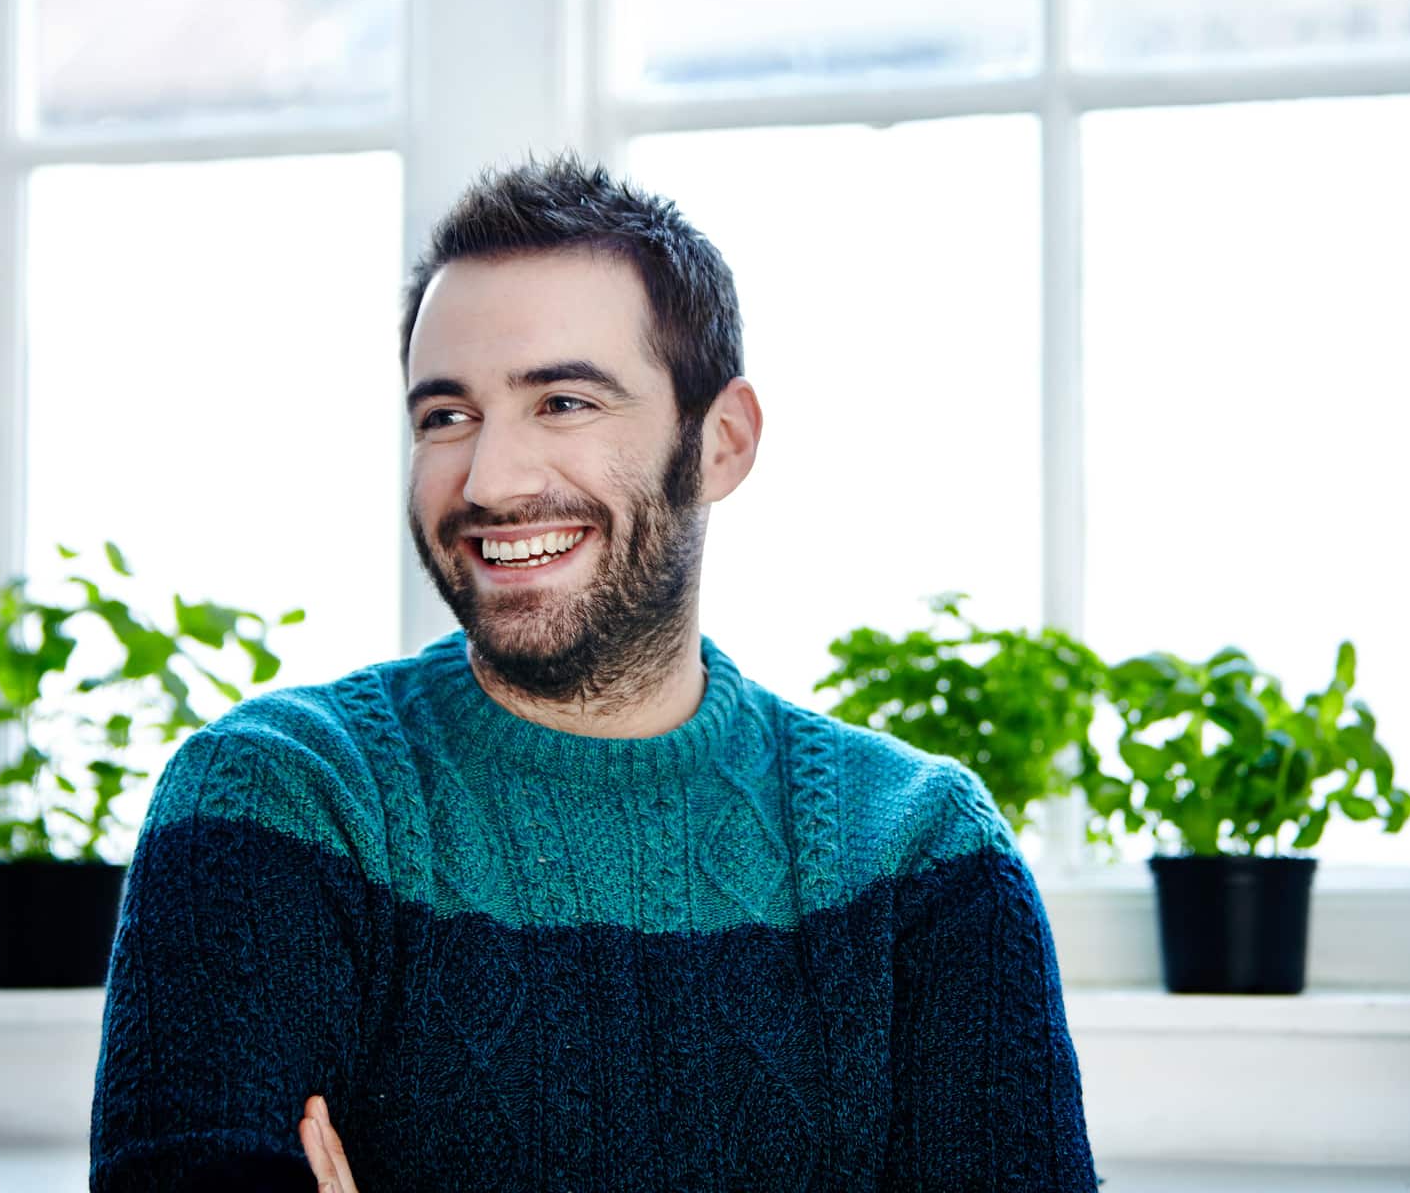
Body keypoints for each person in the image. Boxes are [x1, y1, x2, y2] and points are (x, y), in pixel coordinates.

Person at [87, 156, 1098, 1192]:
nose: (490, 478)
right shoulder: (278, 796)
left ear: (722, 441)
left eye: (563, 401)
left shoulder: (921, 851)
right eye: (445, 415)